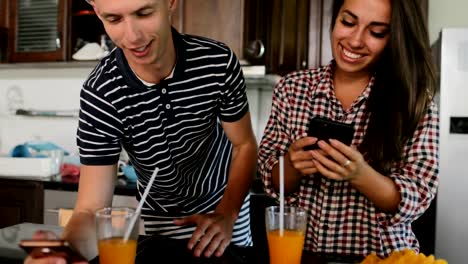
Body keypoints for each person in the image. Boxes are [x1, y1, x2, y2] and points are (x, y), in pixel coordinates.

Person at [25, 0, 257, 263]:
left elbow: (244, 145)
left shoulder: (217, 62)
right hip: (162, 216)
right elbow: (90, 210)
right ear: (98, 13)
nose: (133, 37)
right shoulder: (101, 93)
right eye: (114, 20)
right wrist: (65, 255)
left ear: (170, 3)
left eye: (144, 13)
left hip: (225, 203)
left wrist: (228, 213)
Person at [257, 0, 438, 258]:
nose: (355, 40)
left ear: (395, 37)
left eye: (376, 32)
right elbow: (269, 173)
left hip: (382, 259)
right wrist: (292, 166)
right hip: (303, 255)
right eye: (348, 22)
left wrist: (360, 174)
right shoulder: (291, 89)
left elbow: (417, 196)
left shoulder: (415, 102)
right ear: (335, 19)